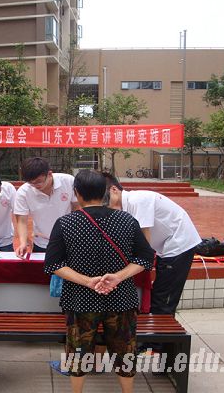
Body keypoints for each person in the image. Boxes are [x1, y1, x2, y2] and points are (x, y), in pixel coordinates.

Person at [44, 170, 154, 393]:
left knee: (78, 352)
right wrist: (118, 277)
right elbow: (145, 258)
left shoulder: (66, 223)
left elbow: (53, 265)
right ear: (105, 192)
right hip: (121, 297)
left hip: (80, 299)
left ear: (77, 193)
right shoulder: (127, 220)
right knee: (125, 351)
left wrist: (87, 281)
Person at [103, 173, 201, 315]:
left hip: (178, 245)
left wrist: (120, 275)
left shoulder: (138, 200)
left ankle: (164, 325)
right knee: (160, 294)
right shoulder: (126, 205)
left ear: (114, 189)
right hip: (165, 246)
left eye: (106, 201)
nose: (106, 206)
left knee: (163, 300)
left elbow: (145, 248)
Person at [14, 157, 78, 258]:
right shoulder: (23, 192)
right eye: (31, 183)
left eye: (39, 181)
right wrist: (23, 242)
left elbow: (77, 208)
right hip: (42, 242)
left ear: (49, 174)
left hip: (68, 240)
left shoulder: (68, 181)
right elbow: (22, 221)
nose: (35, 185)